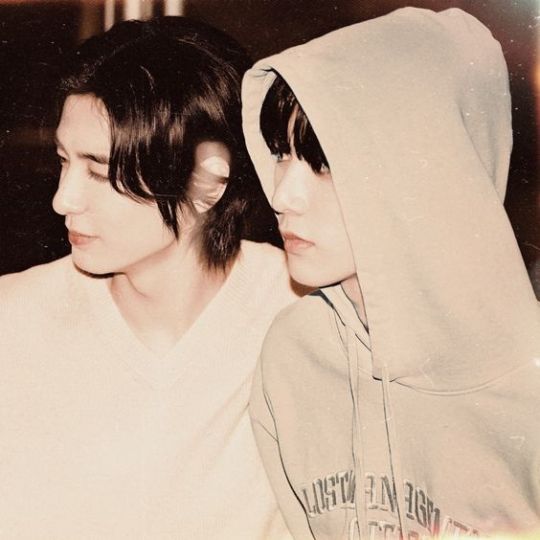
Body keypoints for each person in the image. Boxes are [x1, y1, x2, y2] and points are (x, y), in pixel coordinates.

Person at [243, 7, 540, 539]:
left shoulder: (529, 375)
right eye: (281, 155)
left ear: (422, 169)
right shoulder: (295, 352)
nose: (283, 194)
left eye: (324, 164)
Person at [0, 16, 301, 539]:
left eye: (99, 171)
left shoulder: (303, 317)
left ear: (207, 182)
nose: (63, 200)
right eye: (63, 161)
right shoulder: (13, 319)